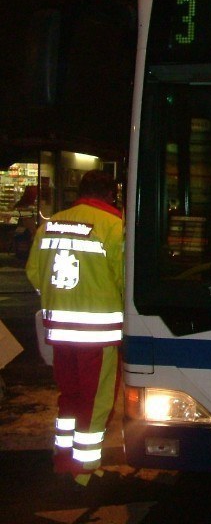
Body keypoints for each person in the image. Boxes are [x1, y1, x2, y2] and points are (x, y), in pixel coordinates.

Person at [25, 170, 124, 488]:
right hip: (97, 333)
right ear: (109, 194)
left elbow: (33, 273)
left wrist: (60, 300)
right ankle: (85, 470)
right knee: (96, 400)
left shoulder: (51, 223)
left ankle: (63, 457)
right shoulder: (112, 225)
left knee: (70, 396)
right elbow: (123, 278)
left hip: (60, 331)